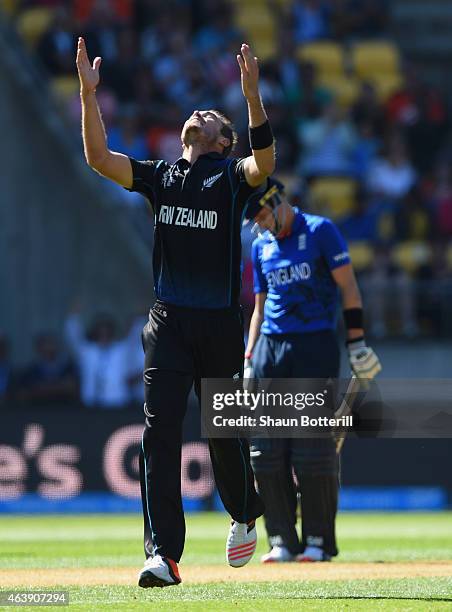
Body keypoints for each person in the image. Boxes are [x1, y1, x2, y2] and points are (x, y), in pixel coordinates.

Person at [76, 37, 275, 587]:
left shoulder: (232, 178)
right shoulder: (162, 178)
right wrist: (88, 97)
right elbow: (97, 159)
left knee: (223, 433)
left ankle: (242, 511)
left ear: (222, 140)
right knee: (158, 431)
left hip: (218, 323)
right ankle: (163, 554)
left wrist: (253, 96)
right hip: (167, 320)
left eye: (210, 116)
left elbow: (264, 163)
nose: (198, 114)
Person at [244, 179, 381, 563]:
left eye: (263, 215)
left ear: (279, 201)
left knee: (313, 450)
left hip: (315, 344)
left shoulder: (321, 231)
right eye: (255, 221)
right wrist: (249, 356)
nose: (262, 225)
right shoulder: (261, 246)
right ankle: (282, 541)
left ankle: (318, 541)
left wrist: (357, 342)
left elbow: (349, 289)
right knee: (266, 453)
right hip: (272, 349)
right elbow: (259, 306)